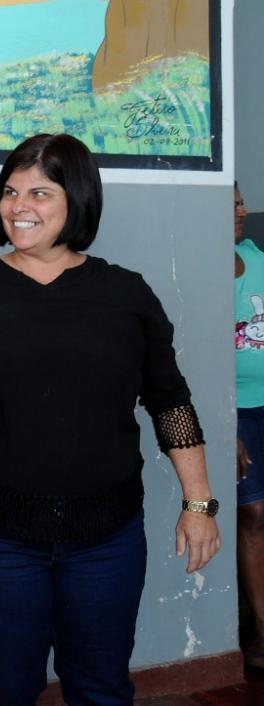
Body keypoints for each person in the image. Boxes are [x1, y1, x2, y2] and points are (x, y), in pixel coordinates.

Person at [0, 133, 220, 704]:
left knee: (101, 688)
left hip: (107, 539)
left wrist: (199, 505)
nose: (19, 206)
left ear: (78, 199)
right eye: (10, 191)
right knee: (6, 687)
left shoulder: (127, 295)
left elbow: (169, 402)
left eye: (39, 193)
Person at [234, 182, 264, 669]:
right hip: (237, 411)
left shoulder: (256, 257)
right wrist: (226, 427)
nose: (242, 210)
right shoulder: (200, 266)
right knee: (254, 514)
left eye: (240, 201)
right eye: (234, 203)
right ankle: (261, 632)